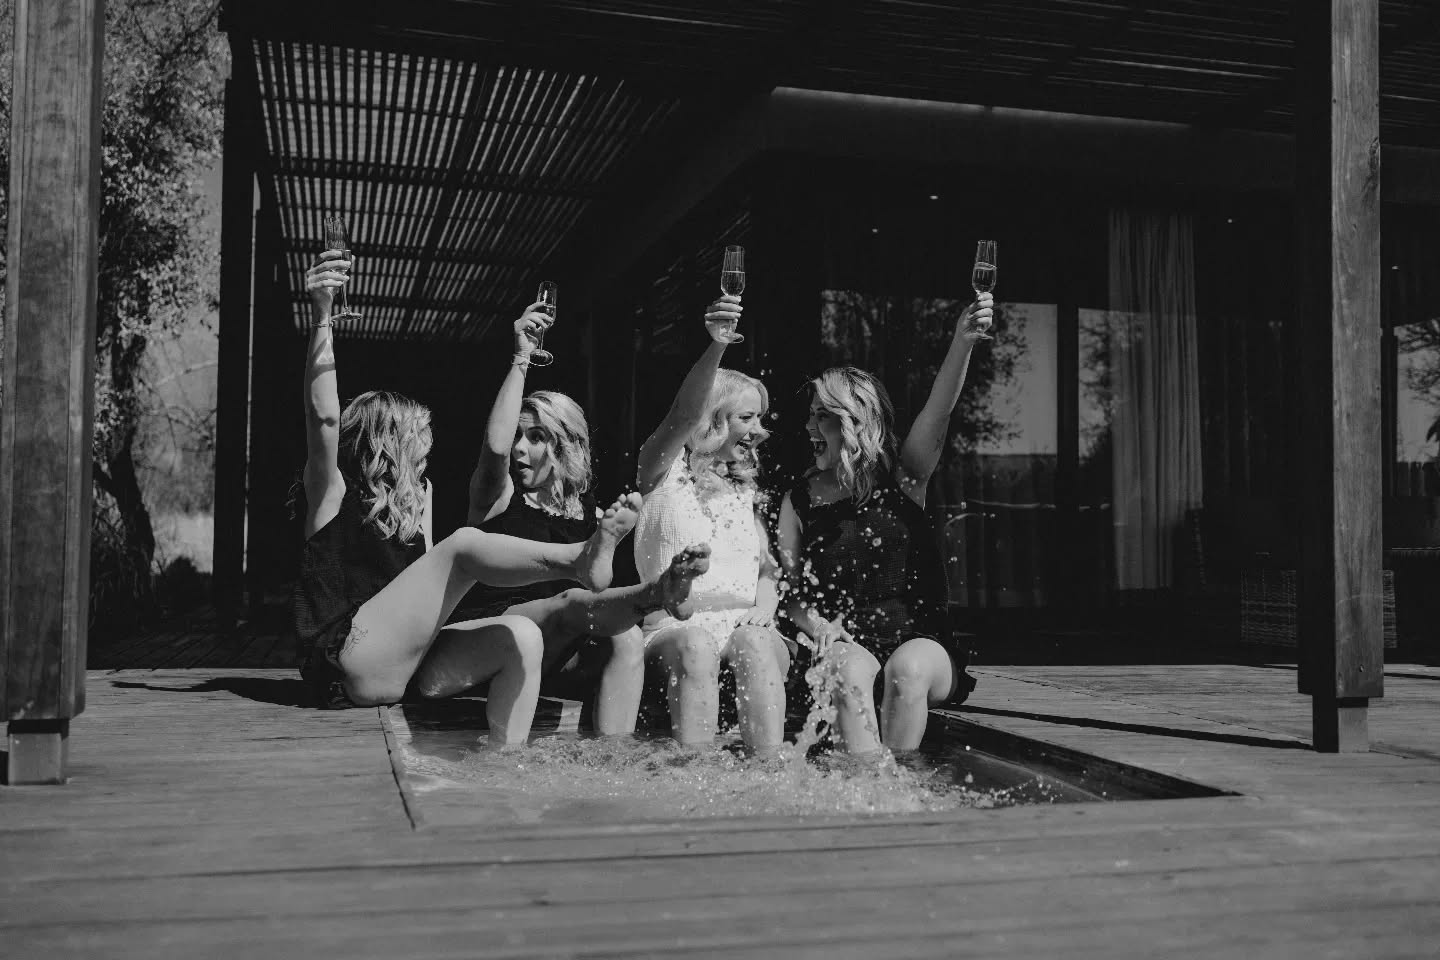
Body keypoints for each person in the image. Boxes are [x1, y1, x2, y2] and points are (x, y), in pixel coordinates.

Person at [292, 247, 649, 746]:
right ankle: (577, 559)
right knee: (461, 546)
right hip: (349, 663)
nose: (430, 446)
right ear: (384, 444)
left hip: (408, 664)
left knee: (519, 638)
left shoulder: (420, 500)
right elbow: (323, 418)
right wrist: (323, 315)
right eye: (419, 435)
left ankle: (506, 764)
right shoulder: (333, 494)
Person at [444, 303, 711, 735]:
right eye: (518, 435)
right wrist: (520, 359)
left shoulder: (595, 517)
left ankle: (610, 762)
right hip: (480, 642)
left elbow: (683, 416)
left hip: (552, 656)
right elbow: (493, 450)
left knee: (622, 635)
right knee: (571, 604)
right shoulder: (499, 495)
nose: (518, 449)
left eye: (535, 437)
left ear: (569, 445)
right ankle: (657, 591)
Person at [777, 292, 994, 754]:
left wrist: (963, 343)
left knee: (907, 671)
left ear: (853, 422)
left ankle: (900, 792)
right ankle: (867, 787)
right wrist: (819, 630)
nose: (809, 428)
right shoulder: (798, 501)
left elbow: (939, 411)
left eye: (823, 417)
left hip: (920, 643)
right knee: (844, 669)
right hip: (845, 640)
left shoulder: (904, 477)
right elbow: (789, 595)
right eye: (809, 416)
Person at [632, 295, 790, 752]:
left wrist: (766, 596)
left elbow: (767, 568)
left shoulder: (745, 490)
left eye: (760, 416)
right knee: (697, 642)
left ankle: (769, 773)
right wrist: (718, 345)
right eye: (747, 417)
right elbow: (683, 414)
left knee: (756, 643)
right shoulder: (662, 473)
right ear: (713, 418)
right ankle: (695, 773)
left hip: (744, 629)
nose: (760, 430)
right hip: (674, 628)